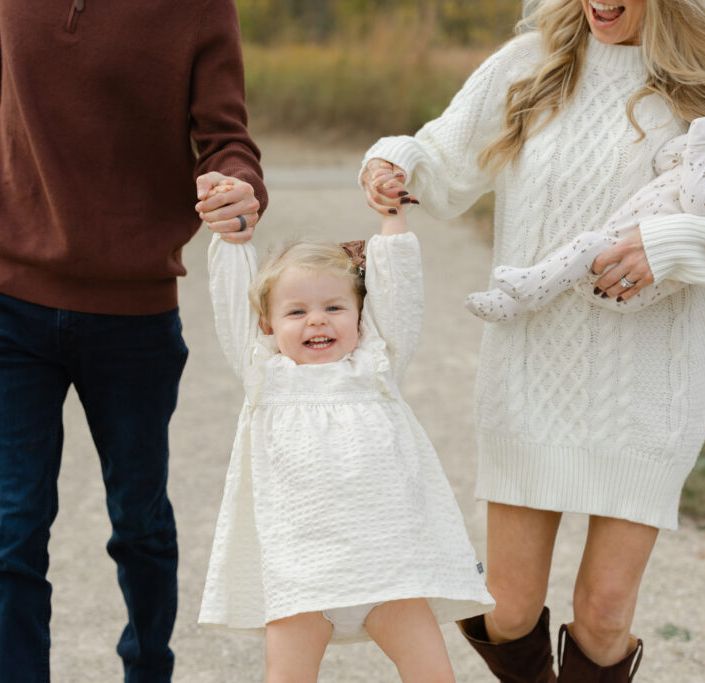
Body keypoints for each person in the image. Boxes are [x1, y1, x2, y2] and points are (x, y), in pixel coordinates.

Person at [359, 1, 705, 680]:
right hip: (530, 376)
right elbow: (442, 158)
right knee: (509, 608)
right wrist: (393, 164)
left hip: (646, 394)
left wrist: (671, 244)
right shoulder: (530, 65)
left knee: (604, 615)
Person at [0, 1, 267, 680]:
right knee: (11, 534)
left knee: (139, 522)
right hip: (6, 306)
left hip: (132, 315)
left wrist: (240, 185)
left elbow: (225, 136)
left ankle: (147, 666)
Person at [197, 181, 494, 682]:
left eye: (334, 308)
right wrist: (231, 238)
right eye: (296, 311)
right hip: (301, 579)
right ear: (266, 324)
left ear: (360, 315)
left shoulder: (377, 366)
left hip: (390, 572)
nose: (317, 320)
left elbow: (399, 294)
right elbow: (230, 302)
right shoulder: (264, 375)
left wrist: (393, 218)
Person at [465, 98, 705, 322]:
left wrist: (701, 151)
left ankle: (529, 291)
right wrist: (694, 146)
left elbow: (696, 201)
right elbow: (663, 160)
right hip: (618, 243)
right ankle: (510, 302)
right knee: (577, 254)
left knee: (586, 246)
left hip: (628, 279)